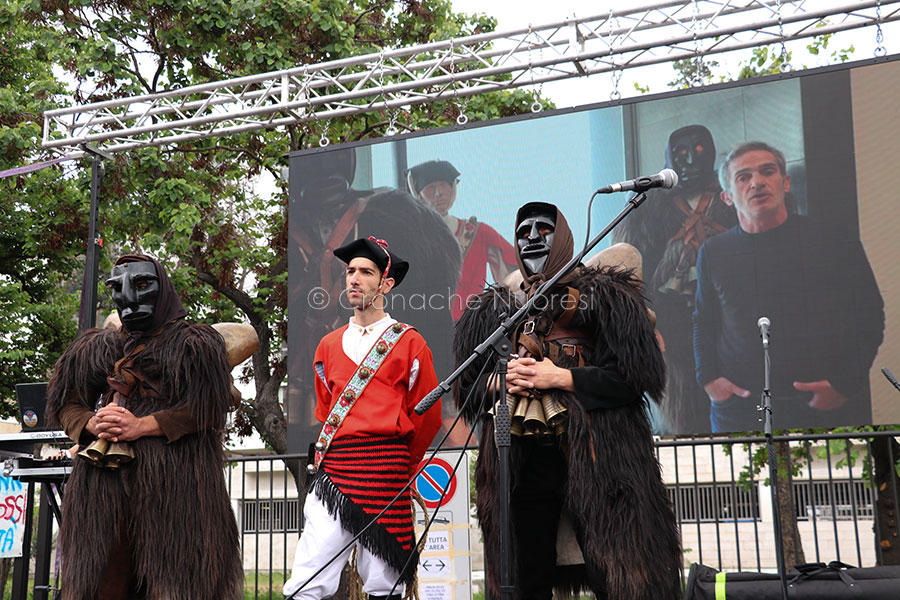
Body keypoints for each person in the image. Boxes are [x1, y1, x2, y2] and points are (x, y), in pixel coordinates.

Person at [454, 203, 682, 600]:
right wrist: (499, 382)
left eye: (543, 229)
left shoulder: (606, 299)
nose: (531, 238)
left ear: (561, 237)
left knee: (620, 576)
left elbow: (633, 378)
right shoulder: (496, 312)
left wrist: (559, 377)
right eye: (523, 232)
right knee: (526, 578)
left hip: (601, 461)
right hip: (522, 464)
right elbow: (468, 387)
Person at [46, 254, 242, 600]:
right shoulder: (98, 348)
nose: (129, 297)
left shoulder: (194, 345)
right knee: (102, 586)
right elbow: (67, 403)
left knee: (177, 588)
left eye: (141, 285)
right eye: (118, 287)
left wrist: (142, 426)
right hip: (102, 487)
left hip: (178, 486)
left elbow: (208, 407)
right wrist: (92, 422)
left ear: (161, 287)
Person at [283, 237, 442, 600]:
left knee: (385, 578)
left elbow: (427, 416)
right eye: (350, 271)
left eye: (366, 272)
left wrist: (401, 465)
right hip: (336, 471)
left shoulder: (410, 343)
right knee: (308, 575)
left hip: (387, 468)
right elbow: (325, 410)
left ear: (386, 284)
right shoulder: (327, 345)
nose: (354, 278)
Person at [692, 142, 885, 432]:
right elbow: (704, 322)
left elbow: (869, 314)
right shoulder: (713, 252)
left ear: (785, 182)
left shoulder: (832, 239)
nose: (757, 182)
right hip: (738, 410)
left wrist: (846, 383)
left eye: (767, 171)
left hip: (822, 406)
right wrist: (709, 379)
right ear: (727, 197)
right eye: (743, 177)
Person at [613, 124, 736, 434]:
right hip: (671, 328)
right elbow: (627, 273)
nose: (691, 161)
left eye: (699, 150)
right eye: (681, 153)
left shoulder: (734, 193)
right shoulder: (644, 206)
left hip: (732, 321)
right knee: (685, 418)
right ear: (670, 157)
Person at [407, 159, 517, 321]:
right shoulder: (411, 238)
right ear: (419, 195)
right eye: (430, 187)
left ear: (453, 188)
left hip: (472, 323)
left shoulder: (480, 232)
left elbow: (514, 274)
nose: (438, 193)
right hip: (425, 323)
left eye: (443, 185)